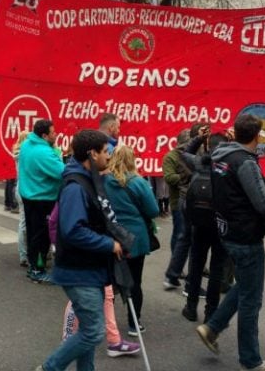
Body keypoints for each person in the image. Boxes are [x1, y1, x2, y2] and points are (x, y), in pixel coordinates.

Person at [196, 114, 265, 371]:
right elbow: (262, 202)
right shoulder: (244, 162)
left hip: (227, 231)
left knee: (244, 285)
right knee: (251, 300)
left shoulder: (221, 155)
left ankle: (212, 327)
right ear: (257, 137)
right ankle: (251, 360)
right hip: (245, 237)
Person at [37, 130, 125, 371]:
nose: (108, 157)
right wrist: (109, 244)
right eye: (105, 152)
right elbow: (73, 230)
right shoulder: (76, 186)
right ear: (92, 154)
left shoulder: (89, 177)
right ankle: (50, 368)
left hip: (90, 269)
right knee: (93, 331)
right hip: (78, 271)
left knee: (88, 330)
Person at [104, 144, 160, 336]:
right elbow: (153, 210)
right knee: (135, 280)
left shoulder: (104, 181)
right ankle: (133, 324)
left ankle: (107, 322)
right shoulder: (138, 182)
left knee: (109, 281)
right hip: (135, 237)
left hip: (111, 235)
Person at [181, 130, 230, 323]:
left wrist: (199, 138)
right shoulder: (229, 166)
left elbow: (184, 153)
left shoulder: (200, 162)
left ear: (208, 146)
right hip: (220, 223)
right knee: (217, 269)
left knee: (196, 265)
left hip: (199, 222)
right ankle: (211, 312)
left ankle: (191, 307)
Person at [19, 119, 65, 283]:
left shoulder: (27, 144)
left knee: (33, 234)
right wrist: (59, 155)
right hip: (42, 198)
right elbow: (62, 172)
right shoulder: (43, 152)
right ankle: (37, 269)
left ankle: (34, 265)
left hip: (29, 195)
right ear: (44, 135)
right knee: (42, 237)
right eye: (53, 132)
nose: (56, 134)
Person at [162, 129, 194, 290]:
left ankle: (177, 268)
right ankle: (176, 269)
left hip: (192, 201)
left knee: (183, 236)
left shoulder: (194, 155)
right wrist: (186, 176)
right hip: (177, 202)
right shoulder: (171, 157)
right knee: (181, 236)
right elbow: (168, 177)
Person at [12, 131, 30, 267]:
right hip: (25, 187)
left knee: (22, 222)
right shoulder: (25, 154)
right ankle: (24, 254)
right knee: (25, 223)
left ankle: (23, 253)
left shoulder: (18, 154)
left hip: (19, 186)